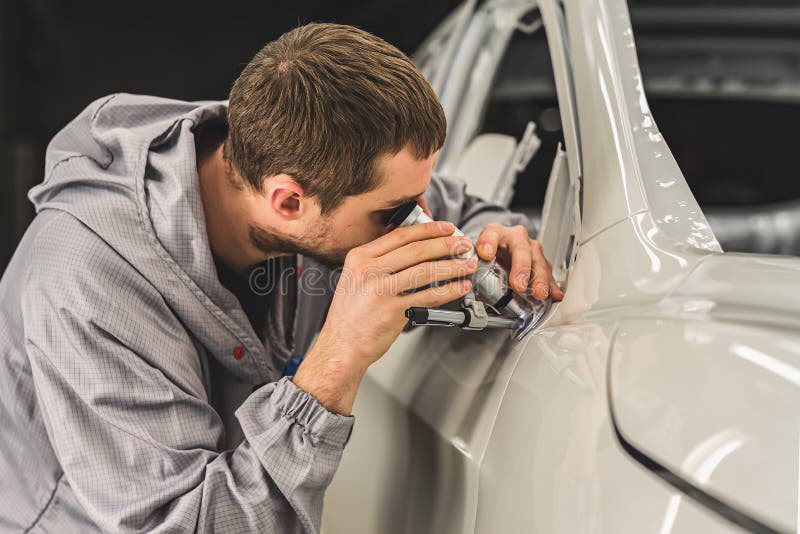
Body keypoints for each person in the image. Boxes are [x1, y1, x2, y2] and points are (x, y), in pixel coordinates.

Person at [0, 22, 562, 533]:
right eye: (392, 216)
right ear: (289, 201)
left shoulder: (292, 149)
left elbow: (455, 207)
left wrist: (495, 235)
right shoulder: (88, 286)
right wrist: (337, 360)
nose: (419, 222)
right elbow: (189, 526)